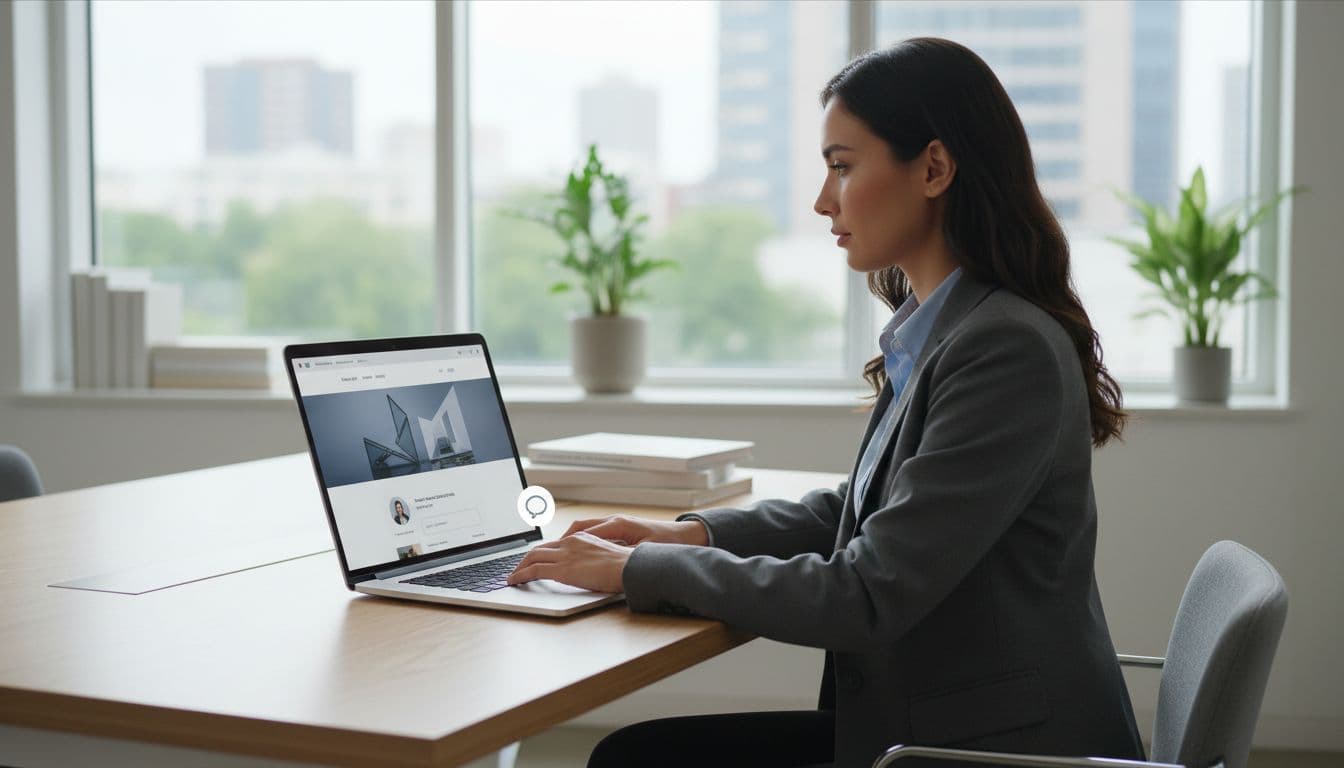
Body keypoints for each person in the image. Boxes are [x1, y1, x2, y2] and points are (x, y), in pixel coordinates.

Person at [508, 38, 1144, 768]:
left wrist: (636, 570)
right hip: (931, 724)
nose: (822, 199)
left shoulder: (1002, 348)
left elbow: (866, 593)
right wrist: (688, 538)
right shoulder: (947, 329)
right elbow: (860, 512)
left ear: (933, 169)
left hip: (985, 750)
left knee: (635, 761)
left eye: (842, 166)